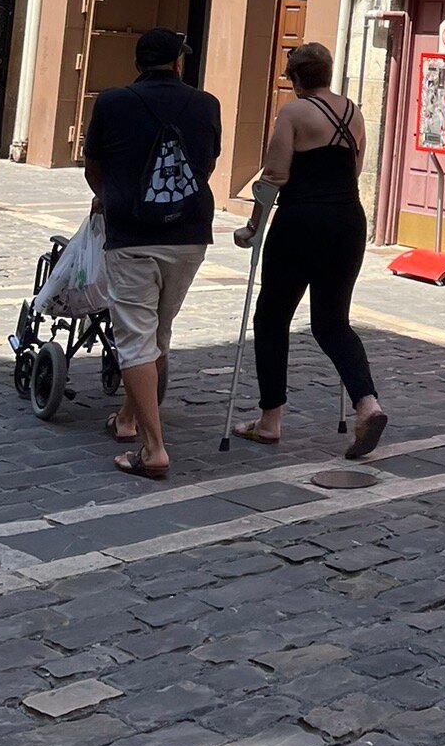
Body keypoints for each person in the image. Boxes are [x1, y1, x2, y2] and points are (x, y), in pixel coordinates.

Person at [233, 42, 386, 459]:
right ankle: (367, 404)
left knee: (272, 318)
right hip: (348, 221)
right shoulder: (352, 111)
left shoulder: (293, 113)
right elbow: (353, 169)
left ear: (297, 79)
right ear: (328, 72)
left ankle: (270, 420)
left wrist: (252, 228)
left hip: (301, 223)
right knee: (332, 321)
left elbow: (274, 176)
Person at [83, 28, 220, 480]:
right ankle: (127, 419)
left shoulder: (112, 102)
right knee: (157, 332)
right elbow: (208, 164)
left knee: (136, 338)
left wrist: (111, 196)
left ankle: (153, 448)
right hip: (189, 234)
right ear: (178, 62)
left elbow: (94, 165)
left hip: (132, 234)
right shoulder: (206, 104)